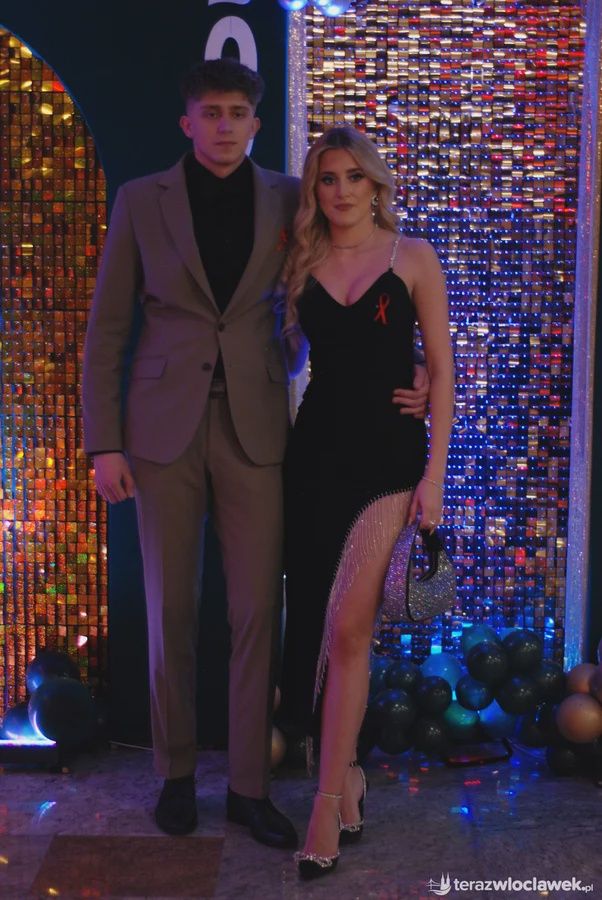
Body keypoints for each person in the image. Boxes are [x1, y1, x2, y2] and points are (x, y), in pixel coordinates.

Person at [83, 57, 427, 846]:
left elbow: (352, 280)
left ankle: (248, 786)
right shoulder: (140, 200)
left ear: (257, 123)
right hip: (160, 429)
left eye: (238, 113)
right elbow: (107, 330)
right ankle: (175, 775)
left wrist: (407, 362)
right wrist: (104, 442)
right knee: (171, 606)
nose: (225, 126)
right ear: (188, 123)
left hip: (260, 425)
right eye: (211, 113)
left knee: (256, 612)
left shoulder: (291, 196)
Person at [279, 126, 454, 879]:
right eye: (328, 179)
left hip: (389, 463)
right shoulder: (301, 259)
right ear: (314, 190)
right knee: (322, 627)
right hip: (314, 459)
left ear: (375, 185)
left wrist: (435, 479)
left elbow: (442, 369)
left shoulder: (412, 257)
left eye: (355, 177)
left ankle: (324, 802)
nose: (342, 191)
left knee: (351, 626)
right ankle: (346, 777)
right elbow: (288, 355)